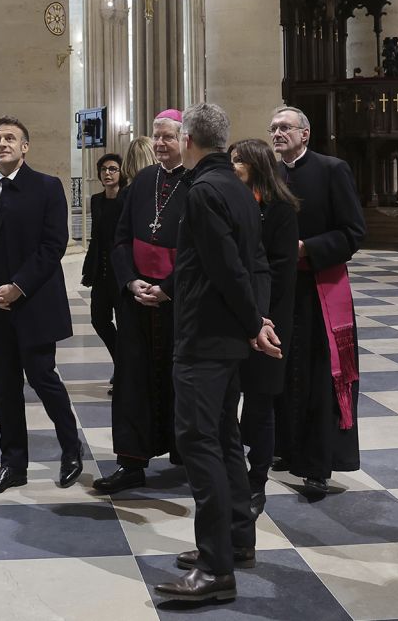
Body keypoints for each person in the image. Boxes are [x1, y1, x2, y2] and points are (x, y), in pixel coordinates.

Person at [153, 102, 279, 604]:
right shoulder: (238, 187)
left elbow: (228, 268)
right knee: (226, 439)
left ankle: (214, 568)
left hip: (204, 338)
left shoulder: (203, 190)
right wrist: (256, 321)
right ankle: (236, 542)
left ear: (187, 140)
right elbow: (253, 264)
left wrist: (253, 322)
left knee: (199, 444)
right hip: (227, 337)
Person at [0, 116, 82, 495]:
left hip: (32, 303)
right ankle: (13, 465)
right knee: (7, 390)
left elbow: (53, 245)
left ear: (25, 147)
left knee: (43, 378)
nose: (2, 143)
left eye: (11, 138)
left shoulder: (47, 187)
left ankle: (71, 450)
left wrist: (16, 288)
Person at [269, 106, 365, 495]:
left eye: (285, 128)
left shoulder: (331, 170)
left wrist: (306, 248)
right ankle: (284, 447)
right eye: (273, 128)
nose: (277, 133)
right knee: (281, 369)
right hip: (279, 289)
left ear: (304, 134)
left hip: (318, 288)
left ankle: (317, 462)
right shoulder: (270, 174)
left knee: (318, 376)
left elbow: (353, 232)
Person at [94, 110, 186, 494]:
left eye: (168, 137)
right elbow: (119, 240)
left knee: (181, 383)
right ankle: (131, 463)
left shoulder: (199, 182)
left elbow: (203, 251)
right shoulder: (144, 180)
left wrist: (168, 287)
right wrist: (131, 281)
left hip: (179, 303)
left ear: (186, 140)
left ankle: (188, 457)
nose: (161, 143)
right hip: (136, 303)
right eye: (156, 137)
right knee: (133, 382)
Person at [228, 138, 300, 517]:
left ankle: (257, 482)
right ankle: (232, 473)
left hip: (268, 320)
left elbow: (280, 270)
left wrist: (258, 319)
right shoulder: (231, 203)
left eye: (237, 161)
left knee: (260, 402)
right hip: (236, 317)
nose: (232, 166)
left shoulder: (281, 209)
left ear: (255, 166)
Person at [80, 152, 124, 375]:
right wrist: (89, 268)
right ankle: (121, 362)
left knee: (126, 326)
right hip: (101, 271)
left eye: (113, 169)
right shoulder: (96, 200)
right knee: (99, 319)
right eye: (104, 169)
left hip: (123, 273)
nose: (107, 173)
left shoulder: (127, 199)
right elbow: (96, 237)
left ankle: (124, 372)